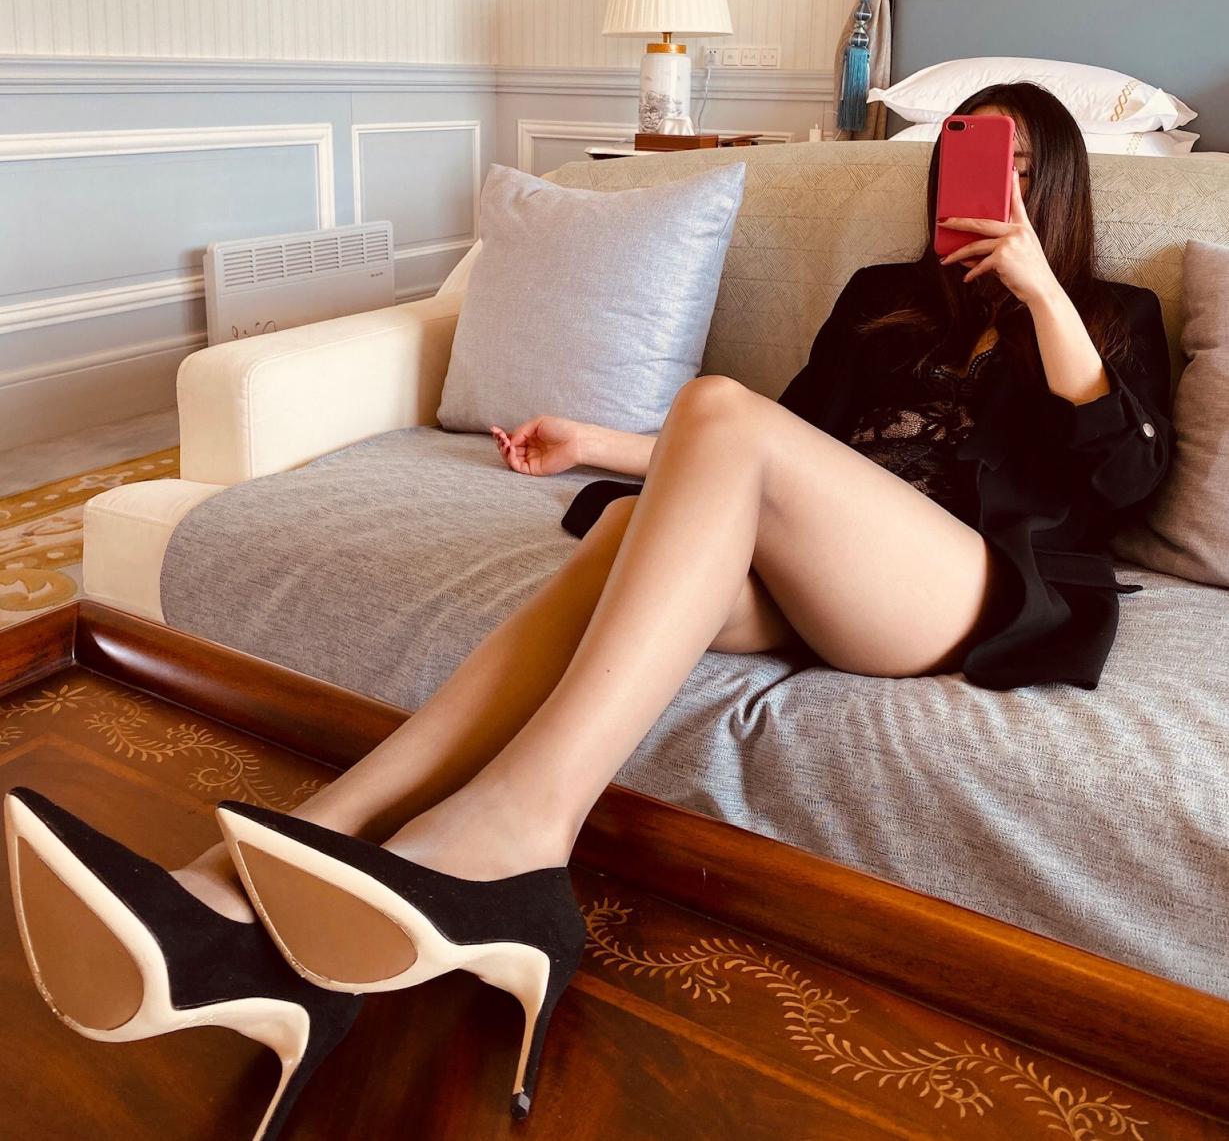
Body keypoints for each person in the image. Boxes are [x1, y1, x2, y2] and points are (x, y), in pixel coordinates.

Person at [5, 82, 1173, 1138]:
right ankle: (250, 885)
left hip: (964, 589)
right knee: (624, 526)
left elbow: (1124, 480)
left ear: (1058, 186)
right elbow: (770, 443)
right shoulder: (882, 299)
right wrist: (596, 444)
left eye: (1017, 167)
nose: (986, 187)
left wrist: (1037, 293)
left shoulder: (1109, 315)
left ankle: (523, 834)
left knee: (709, 412)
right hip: (820, 571)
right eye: (966, 159)